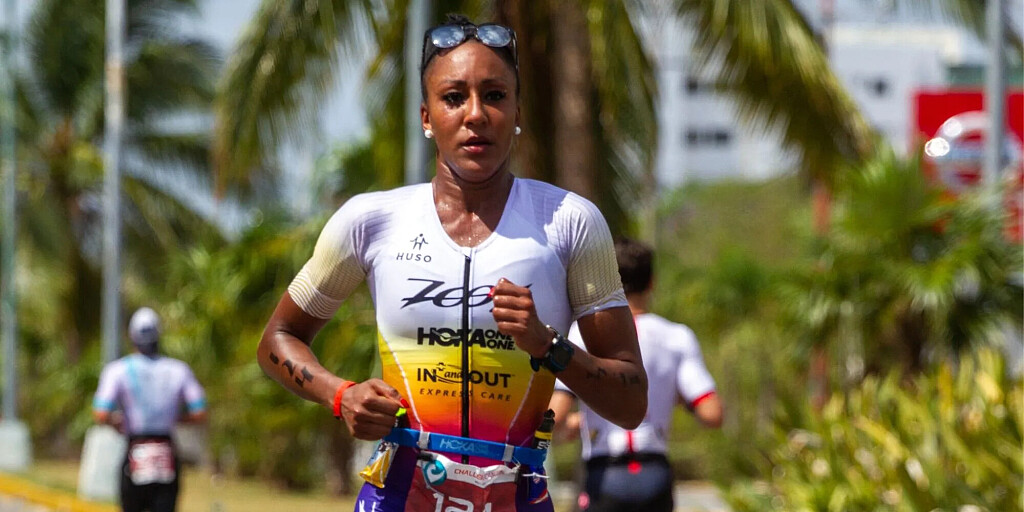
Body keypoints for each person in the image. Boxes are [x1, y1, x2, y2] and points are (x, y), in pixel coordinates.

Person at [256, 13, 647, 512]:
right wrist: (340, 394)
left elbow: (631, 403)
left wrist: (547, 345)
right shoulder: (371, 221)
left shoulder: (570, 222)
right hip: (400, 494)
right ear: (426, 117)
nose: (476, 114)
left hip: (515, 495)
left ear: (518, 110)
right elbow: (277, 339)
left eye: (495, 95)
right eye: (454, 97)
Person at [549, 237, 723, 512]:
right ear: (652, 283)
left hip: (605, 473)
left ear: (606, 281)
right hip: (654, 473)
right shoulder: (677, 337)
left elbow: (554, 417)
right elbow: (712, 414)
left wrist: (577, 423)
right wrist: (670, 395)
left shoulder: (581, 335)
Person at [92, 307, 208, 512]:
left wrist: (116, 423)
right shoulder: (178, 370)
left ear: (131, 336)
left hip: (135, 448)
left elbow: (101, 413)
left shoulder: (118, 370)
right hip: (166, 450)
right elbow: (199, 411)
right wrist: (176, 418)